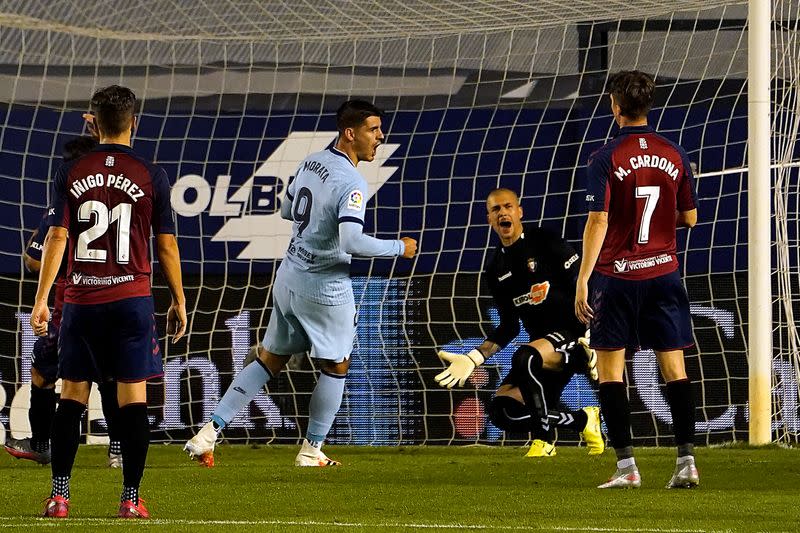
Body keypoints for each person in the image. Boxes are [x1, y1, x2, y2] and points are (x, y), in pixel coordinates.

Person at [184, 99, 417, 467]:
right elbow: (351, 242)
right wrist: (398, 247)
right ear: (350, 133)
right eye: (373, 130)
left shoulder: (311, 161)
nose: (380, 137)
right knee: (336, 366)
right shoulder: (352, 181)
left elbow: (287, 210)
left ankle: (209, 432)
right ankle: (312, 450)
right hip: (325, 287)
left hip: (289, 277)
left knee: (268, 359)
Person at [31, 85, 187, 518]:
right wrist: (178, 298)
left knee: (73, 397)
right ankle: (130, 500)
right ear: (133, 122)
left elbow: (57, 236)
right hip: (131, 300)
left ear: (94, 123)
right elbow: (167, 245)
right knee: (132, 400)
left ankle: (59, 497)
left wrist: (42, 299)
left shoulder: (73, 169)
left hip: (80, 301)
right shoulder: (151, 173)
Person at [575, 70, 699, 489]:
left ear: (615, 105)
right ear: (649, 105)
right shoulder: (674, 151)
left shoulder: (605, 157)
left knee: (611, 369)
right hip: (665, 273)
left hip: (618, 276)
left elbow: (598, 220)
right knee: (674, 367)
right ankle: (686, 463)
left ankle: (627, 467)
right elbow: (690, 218)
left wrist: (582, 280)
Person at [435, 188, 604, 457]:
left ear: (519, 211)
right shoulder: (496, 269)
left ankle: (544, 441)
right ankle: (583, 421)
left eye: (508, 206)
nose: (503, 212)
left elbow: (586, 286)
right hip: (541, 351)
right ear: (489, 218)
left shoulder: (546, 241)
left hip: (576, 339)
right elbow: (509, 327)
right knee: (502, 411)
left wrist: (593, 333)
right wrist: (473, 358)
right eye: (495, 209)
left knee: (524, 356)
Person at [5, 136, 125, 469]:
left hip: (71, 304)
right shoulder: (124, 198)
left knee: (46, 374)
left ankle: (42, 445)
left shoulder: (62, 207)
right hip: (116, 298)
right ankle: (118, 449)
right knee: (110, 376)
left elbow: (32, 259)